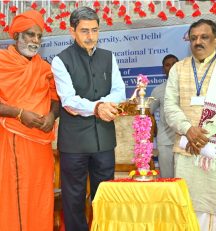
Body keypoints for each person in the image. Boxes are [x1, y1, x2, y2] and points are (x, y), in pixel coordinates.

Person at [164, 19, 216, 230]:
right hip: (186, 148)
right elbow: (169, 106)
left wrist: (204, 133)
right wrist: (188, 129)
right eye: (193, 38)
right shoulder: (178, 69)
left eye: (204, 37)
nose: (198, 42)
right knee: (190, 203)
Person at [51, 7, 126, 231]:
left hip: (104, 140)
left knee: (105, 195)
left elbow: (119, 92)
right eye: (84, 31)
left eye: (94, 30)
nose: (90, 36)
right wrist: (99, 107)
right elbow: (69, 101)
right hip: (74, 144)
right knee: (73, 199)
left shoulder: (108, 57)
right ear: (72, 31)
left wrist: (102, 105)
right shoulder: (60, 60)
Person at [0, 10, 59, 231]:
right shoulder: (2, 62)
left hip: (41, 144)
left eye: (38, 36)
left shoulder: (44, 67)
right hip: (11, 140)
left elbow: (56, 99)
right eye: (30, 35)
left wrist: (52, 115)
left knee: (40, 195)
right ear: (16, 36)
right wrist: (19, 113)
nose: (35, 40)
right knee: (15, 196)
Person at [150, 54, 179, 178]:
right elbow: (147, 112)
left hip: (185, 141)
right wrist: (154, 131)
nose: (171, 67)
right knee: (167, 178)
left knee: (184, 179)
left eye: (174, 64)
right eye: (168, 65)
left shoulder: (189, 87)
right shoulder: (158, 90)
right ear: (163, 69)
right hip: (165, 141)